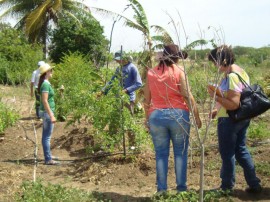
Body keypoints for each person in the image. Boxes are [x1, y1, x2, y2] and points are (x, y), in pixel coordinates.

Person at [144, 44, 202, 193]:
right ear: (176, 58)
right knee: (180, 153)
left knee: (161, 154)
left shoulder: (151, 73)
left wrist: (147, 118)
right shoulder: (179, 72)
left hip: (156, 115)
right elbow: (187, 95)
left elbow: (146, 99)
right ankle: (181, 189)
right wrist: (196, 116)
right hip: (178, 115)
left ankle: (161, 190)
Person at [207, 45, 262, 193]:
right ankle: (254, 183)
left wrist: (215, 96)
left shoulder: (231, 77)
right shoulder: (240, 72)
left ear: (222, 60)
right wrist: (216, 108)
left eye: (215, 62)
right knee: (241, 150)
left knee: (227, 153)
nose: (215, 66)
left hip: (229, 119)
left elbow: (233, 104)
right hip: (242, 118)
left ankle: (226, 186)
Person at [103, 50, 142, 115]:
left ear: (124, 58)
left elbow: (139, 83)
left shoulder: (132, 67)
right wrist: (103, 91)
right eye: (116, 59)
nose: (116, 61)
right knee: (119, 115)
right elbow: (112, 81)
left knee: (129, 116)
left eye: (118, 59)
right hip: (119, 96)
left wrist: (127, 90)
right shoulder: (119, 68)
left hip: (129, 97)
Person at [38, 63, 59, 165]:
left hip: (45, 112)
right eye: (51, 70)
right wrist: (51, 115)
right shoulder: (45, 84)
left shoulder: (46, 83)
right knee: (47, 137)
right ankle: (48, 159)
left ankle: (48, 155)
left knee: (45, 136)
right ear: (46, 72)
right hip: (47, 113)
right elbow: (45, 101)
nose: (52, 72)